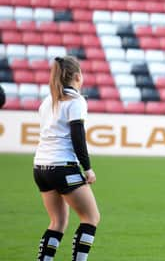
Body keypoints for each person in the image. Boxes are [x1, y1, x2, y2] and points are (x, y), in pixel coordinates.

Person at [33, 56, 100, 261]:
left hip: (40, 168)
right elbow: (78, 137)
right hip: (63, 167)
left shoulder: (48, 101)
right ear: (78, 76)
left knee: (57, 222)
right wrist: (87, 168)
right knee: (91, 218)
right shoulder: (76, 101)